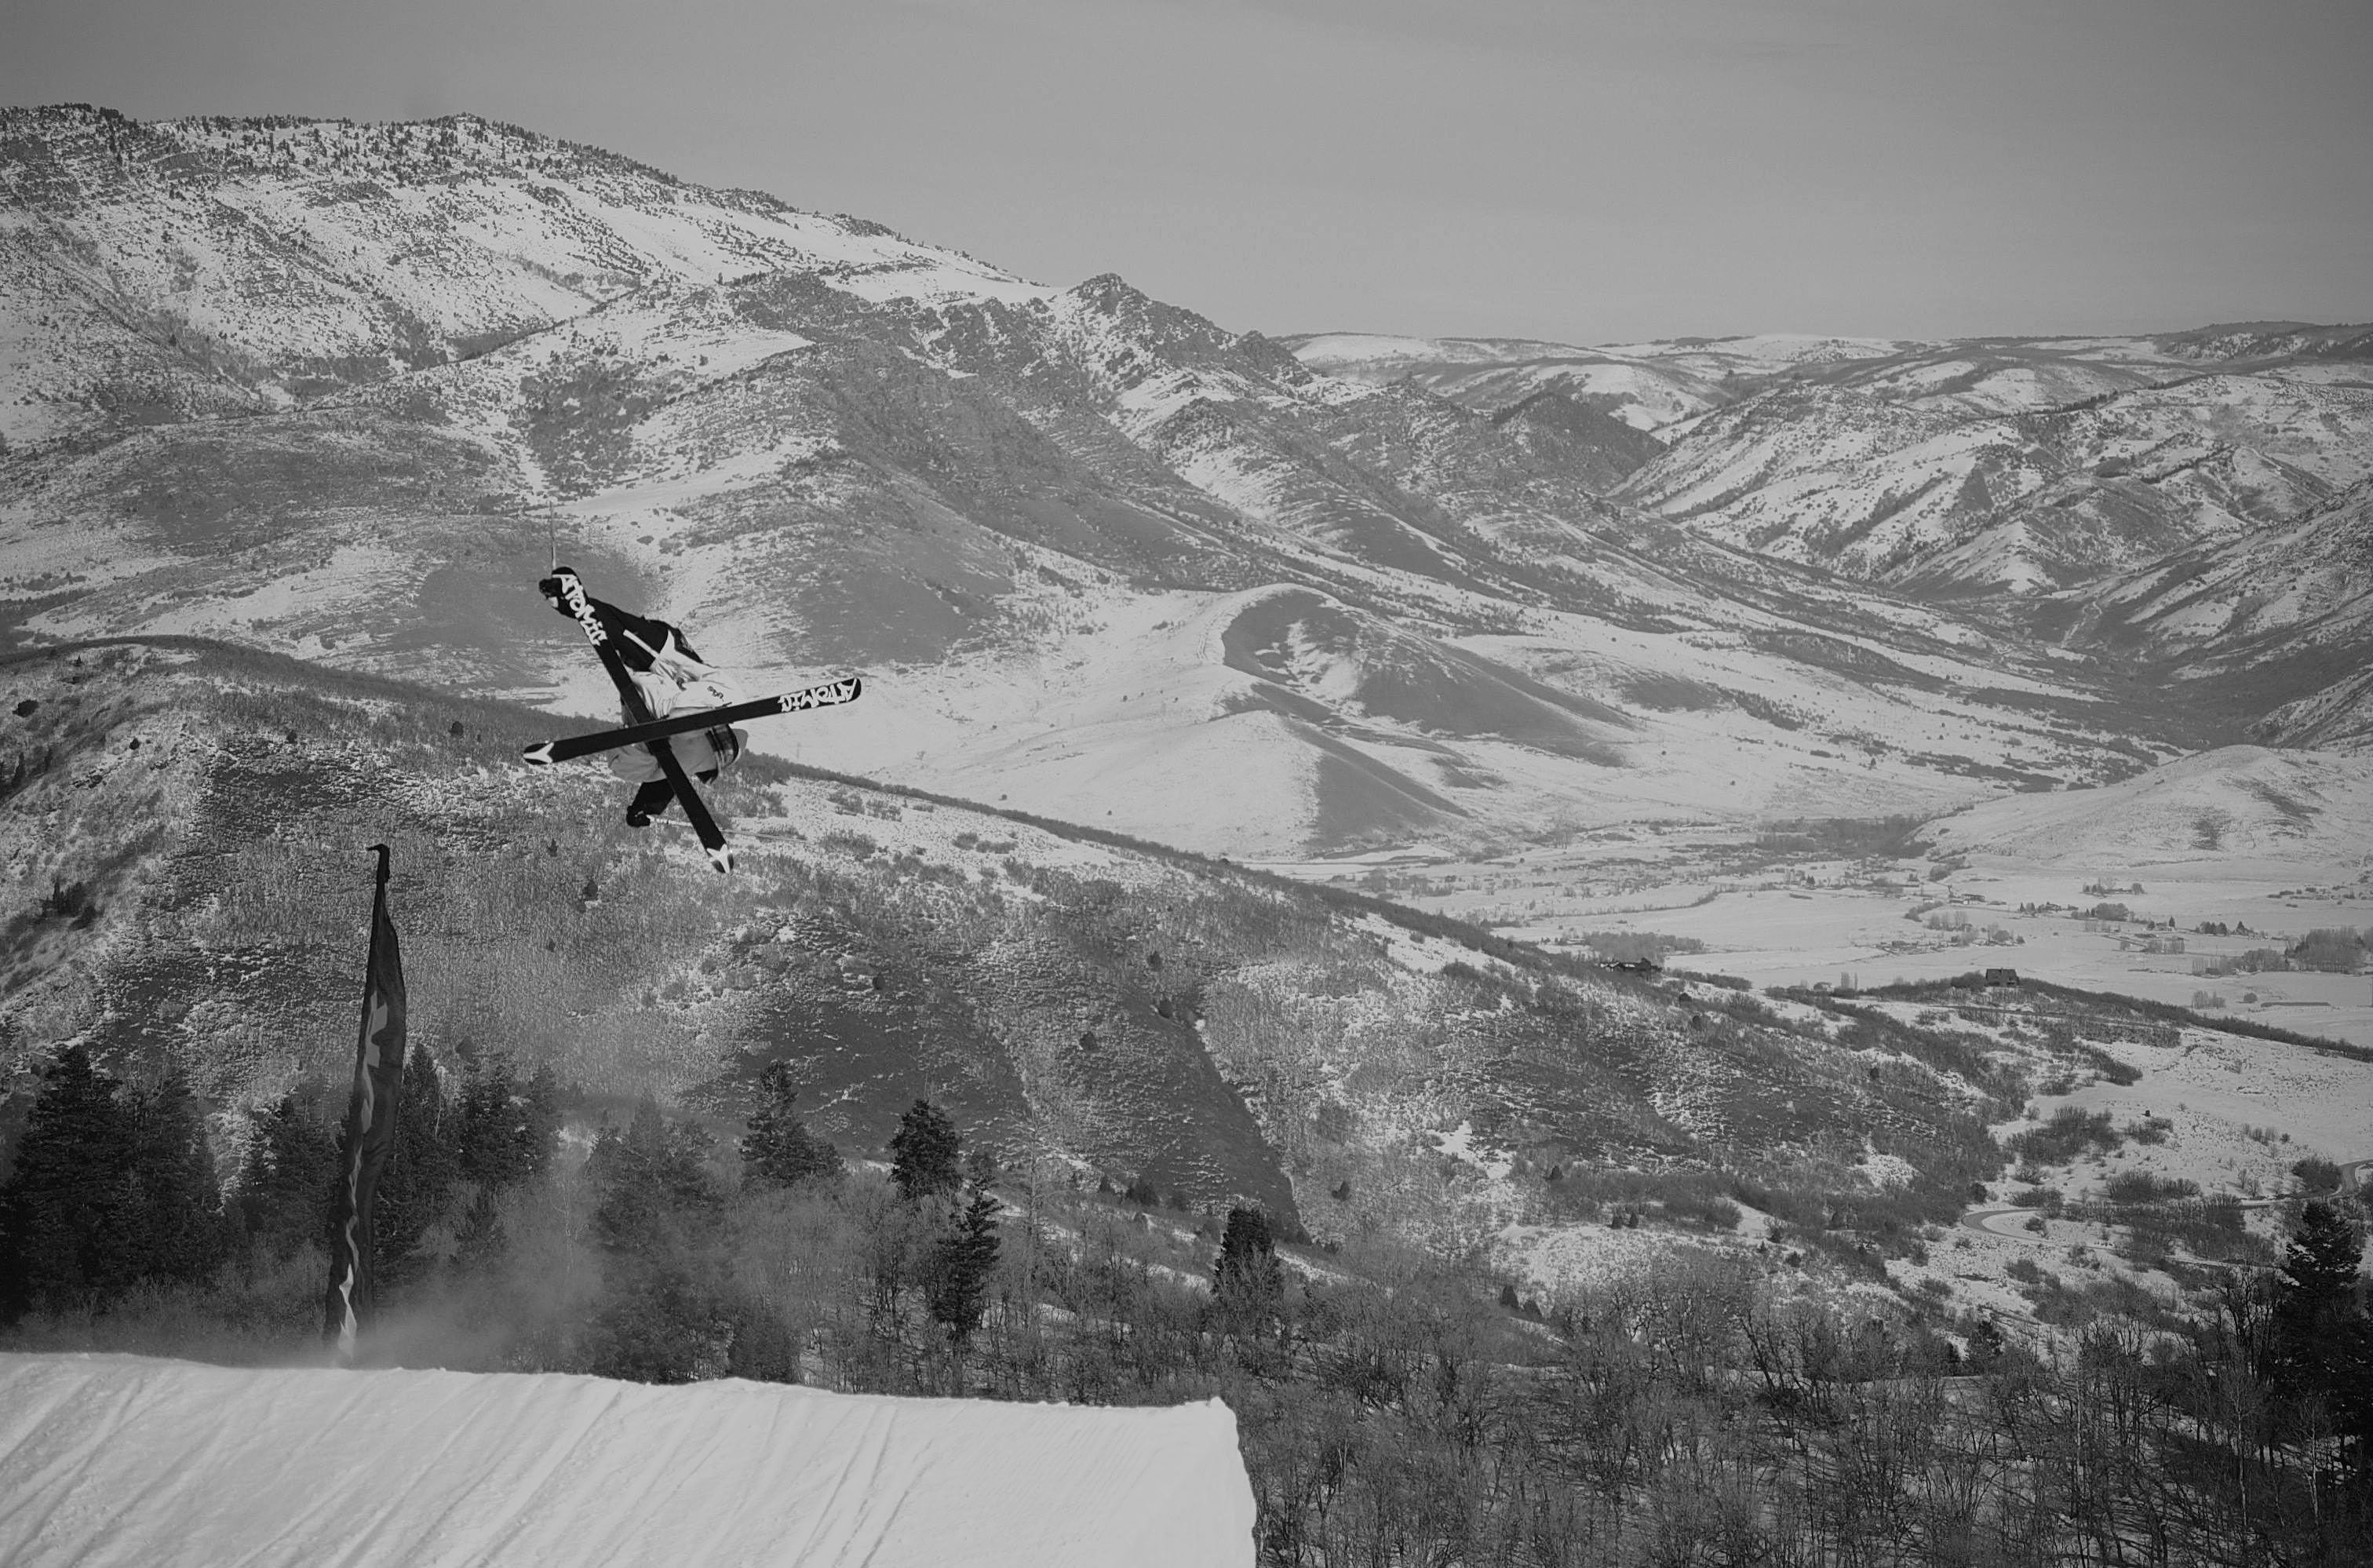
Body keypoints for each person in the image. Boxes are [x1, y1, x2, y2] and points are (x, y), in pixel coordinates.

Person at [538, 569, 747, 826]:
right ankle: (659, 737)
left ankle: (680, 724)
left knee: (649, 697)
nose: (626, 660)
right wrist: (646, 808)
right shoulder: (660, 685)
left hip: (722, 716)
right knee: (632, 762)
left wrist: (575, 603)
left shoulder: (664, 647)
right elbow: (672, 771)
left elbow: (616, 627)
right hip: (717, 751)